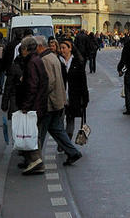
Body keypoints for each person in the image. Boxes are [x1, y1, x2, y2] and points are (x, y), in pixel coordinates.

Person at [36, 37, 83, 166]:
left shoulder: (45, 60)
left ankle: (36, 159)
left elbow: (49, 82)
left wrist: (39, 97)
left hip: (50, 102)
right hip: (59, 101)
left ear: (40, 46)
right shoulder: (53, 57)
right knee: (56, 129)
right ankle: (73, 152)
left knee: (40, 132)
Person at [16, 36, 47, 174]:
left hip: (34, 105)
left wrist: (26, 106)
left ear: (26, 49)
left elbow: (32, 86)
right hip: (39, 103)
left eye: (22, 48)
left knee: (30, 133)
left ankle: (35, 160)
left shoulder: (31, 62)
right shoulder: (38, 60)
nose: (21, 51)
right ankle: (35, 160)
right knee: (34, 132)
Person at [59, 39, 89, 139]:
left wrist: (85, 98)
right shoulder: (58, 62)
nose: (61, 50)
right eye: (60, 48)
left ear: (70, 48)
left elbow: (83, 82)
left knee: (70, 120)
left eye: (64, 48)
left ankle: (67, 140)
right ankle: (63, 141)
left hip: (73, 96)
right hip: (60, 97)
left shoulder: (77, 62)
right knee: (59, 121)